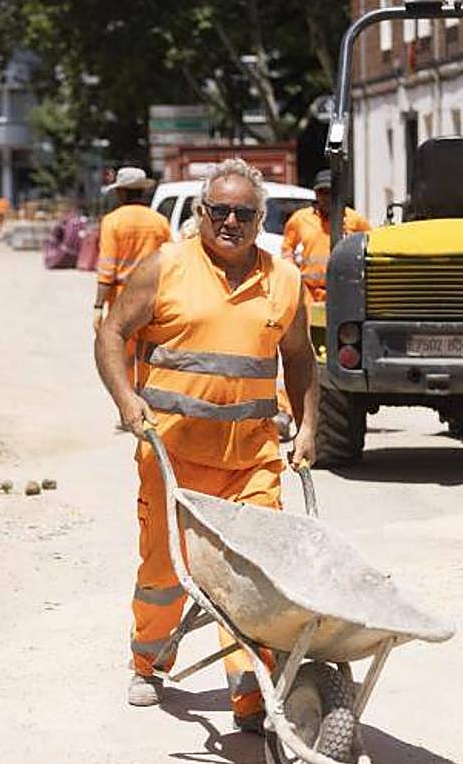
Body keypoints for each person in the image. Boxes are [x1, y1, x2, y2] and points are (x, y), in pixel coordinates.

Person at [94, 158, 318, 731]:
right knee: (164, 572)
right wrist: (127, 401)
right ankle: (148, 663)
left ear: (260, 218)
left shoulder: (284, 281)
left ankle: (251, 693)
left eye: (244, 213)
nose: (231, 222)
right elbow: (112, 332)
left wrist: (309, 427)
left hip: (252, 462)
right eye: (219, 211)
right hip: (173, 458)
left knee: (255, 576)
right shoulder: (165, 268)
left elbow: (299, 358)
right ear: (200, 213)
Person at [93, 166, 171, 332]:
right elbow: (170, 262)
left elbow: (107, 271)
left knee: (120, 347)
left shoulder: (112, 221)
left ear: (121, 192)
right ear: (143, 191)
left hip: (122, 296)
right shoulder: (160, 221)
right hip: (154, 295)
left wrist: (98, 306)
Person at [280, 169, 371, 301]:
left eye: (330, 193)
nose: (326, 198)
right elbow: (287, 249)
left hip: (344, 292)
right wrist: (293, 273)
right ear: (316, 194)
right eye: (322, 193)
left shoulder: (354, 219)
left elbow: (370, 245)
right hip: (309, 293)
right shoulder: (300, 218)